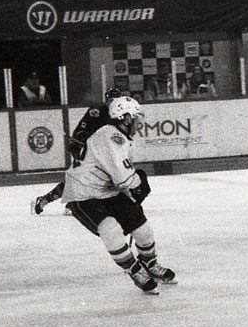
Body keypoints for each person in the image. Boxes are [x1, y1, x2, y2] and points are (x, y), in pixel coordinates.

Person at [61, 96, 174, 293]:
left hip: (106, 190)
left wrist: (133, 189)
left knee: (142, 228)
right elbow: (123, 178)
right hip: (82, 195)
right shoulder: (111, 137)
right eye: (137, 119)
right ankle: (135, 269)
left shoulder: (118, 136)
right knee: (110, 229)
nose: (139, 124)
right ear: (126, 118)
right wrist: (137, 185)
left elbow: (120, 177)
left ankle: (150, 264)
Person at [31, 88, 124, 214]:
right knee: (78, 179)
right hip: (86, 151)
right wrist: (79, 145)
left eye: (117, 100)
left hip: (103, 154)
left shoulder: (119, 115)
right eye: (112, 100)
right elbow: (80, 130)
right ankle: (48, 200)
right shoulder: (96, 111)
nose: (114, 103)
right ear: (107, 100)